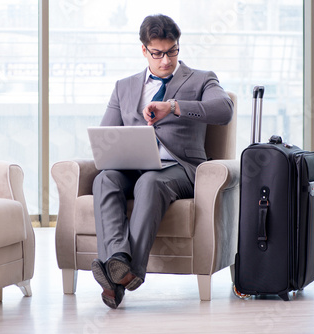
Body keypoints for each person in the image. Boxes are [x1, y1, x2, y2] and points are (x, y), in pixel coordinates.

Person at [90, 14, 234, 309]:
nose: (166, 60)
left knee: (150, 181)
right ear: (144, 50)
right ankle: (118, 265)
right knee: (104, 179)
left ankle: (125, 272)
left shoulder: (201, 79)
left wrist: (174, 107)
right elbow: (106, 137)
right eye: (158, 53)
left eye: (172, 51)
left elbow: (224, 110)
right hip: (133, 166)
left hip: (179, 168)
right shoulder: (124, 87)